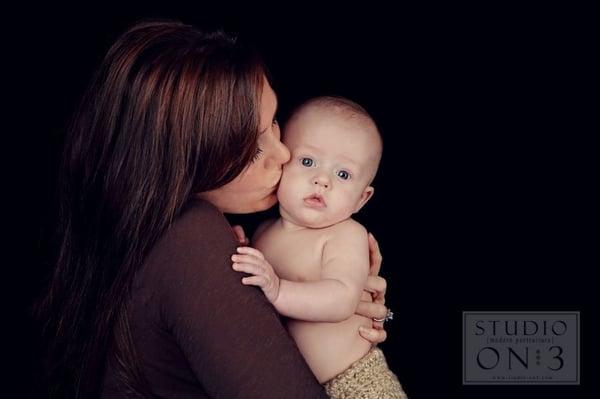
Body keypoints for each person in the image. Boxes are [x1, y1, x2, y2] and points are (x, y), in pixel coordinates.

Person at [34, 20, 391, 398]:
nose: (284, 153)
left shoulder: (153, 242)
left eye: (273, 123)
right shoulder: (192, 236)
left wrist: (348, 320)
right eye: (253, 149)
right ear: (186, 162)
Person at [230, 96, 407, 398]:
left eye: (343, 174)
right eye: (308, 161)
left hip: (356, 382)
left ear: (361, 199)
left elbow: (341, 299)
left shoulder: (345, 235)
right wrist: (241, 250)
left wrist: (279, 290)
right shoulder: (263, 231)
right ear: (284, 163)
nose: (322, 180)